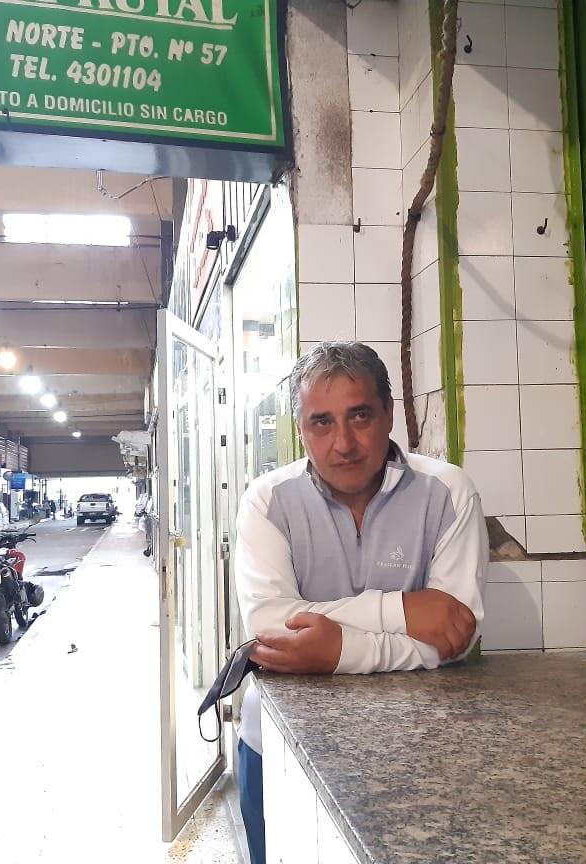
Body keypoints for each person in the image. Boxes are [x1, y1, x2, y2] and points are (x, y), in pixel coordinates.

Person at [233, 342, 488, 864]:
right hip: (277, 746)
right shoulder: (267, 500)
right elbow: (266, 625)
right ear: (300, 429)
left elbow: (456, 637)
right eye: (321, 423)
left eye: (360, 416)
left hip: (422, 747)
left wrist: (335, 650)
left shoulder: (448, 493)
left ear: (389, 415)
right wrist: (402, 610)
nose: (343, 443)